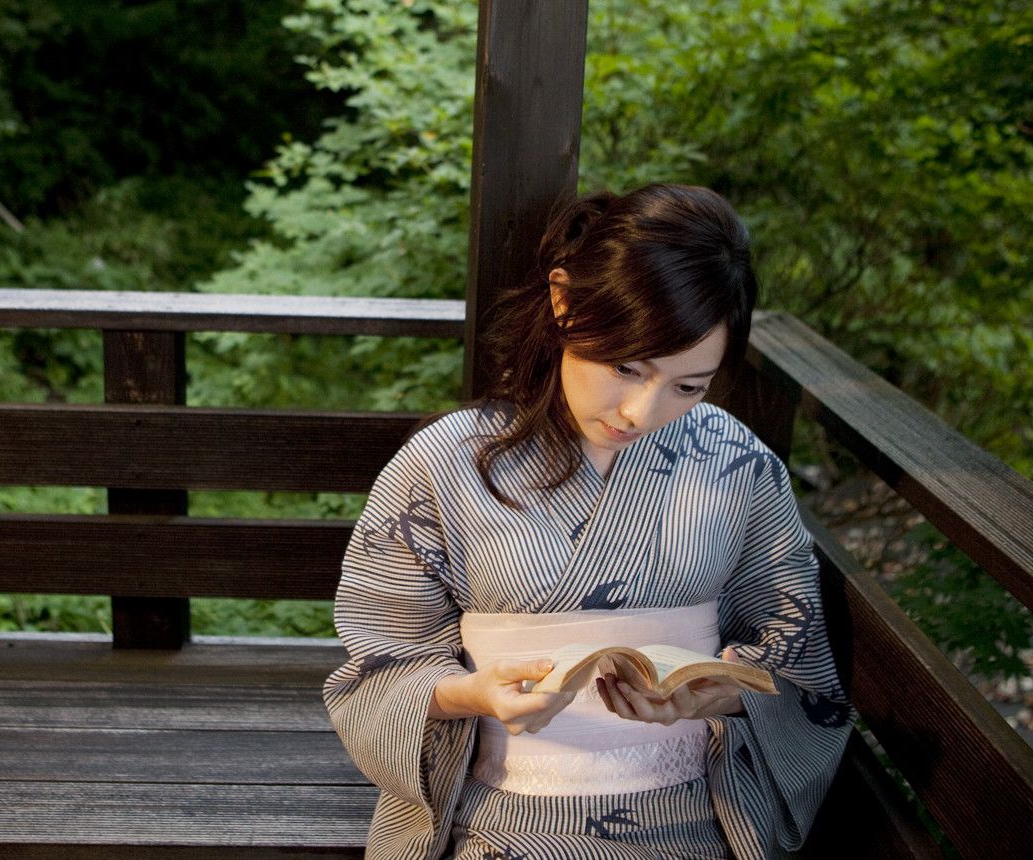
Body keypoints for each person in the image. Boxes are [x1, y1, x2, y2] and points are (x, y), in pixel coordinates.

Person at [324, 184, 853, 859]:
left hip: (695, 823)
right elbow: (378, 670)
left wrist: (713, 700)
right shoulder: (441, 465)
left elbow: (796, 669)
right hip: (494, 823)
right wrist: (469, 694)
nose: (641, 410)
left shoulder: (739, 466)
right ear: (564, 298)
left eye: (688, 387)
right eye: (626, 366)